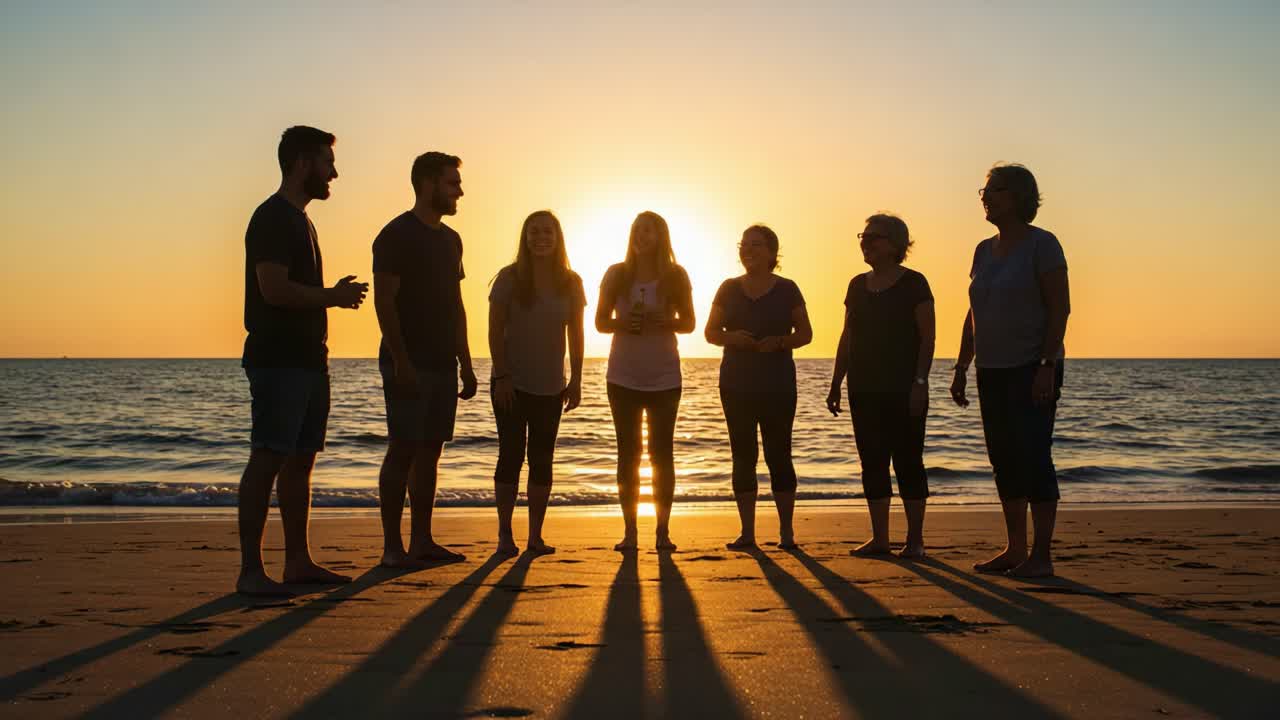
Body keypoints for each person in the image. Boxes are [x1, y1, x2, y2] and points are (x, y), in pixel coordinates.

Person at [237, 126, 368, 596]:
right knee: (268, 456)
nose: (334, 172)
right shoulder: (272, 218)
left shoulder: (301, 220)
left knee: (301, 461)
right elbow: (273, 289)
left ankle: (298, 562)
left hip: (311, 361)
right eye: (326, 162)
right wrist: (331, 297)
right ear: (301, 163)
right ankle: (251, 571)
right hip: (278, 359)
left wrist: (329, 298)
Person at [949, 163, 1070, 578]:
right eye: (982, 190)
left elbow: (1060, 308)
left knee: (1034, 456)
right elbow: (974, 311)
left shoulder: (1043, 245)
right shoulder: (983, 250)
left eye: (993, 190)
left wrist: (1046, 366)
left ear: (1018, 196)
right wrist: (962, 365)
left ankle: (1042, 555)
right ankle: (1015, 549)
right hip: (991, 368)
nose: (984, 197)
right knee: (1002, 459)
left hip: (1032, 366)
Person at [372, 151, 477, 568]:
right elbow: (384, 302)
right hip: (407, 359)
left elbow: (457, 304)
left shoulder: (451, 240)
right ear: (428, 183)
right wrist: (400, 359)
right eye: (453, 183)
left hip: (442, 359)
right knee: (402, 448)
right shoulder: (395, 235)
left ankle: (422, 541)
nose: (459, 191)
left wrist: (466, 362)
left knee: (431, 450)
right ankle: (391, 548)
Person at [826, 214, 935, 559]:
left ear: (895, 244)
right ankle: (880, 538)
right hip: (864, 387)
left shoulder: (914, 283)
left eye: (874, 237)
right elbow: (847, 335)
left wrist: (920, 382)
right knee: (871, 462)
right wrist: (835, 383)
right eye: (864, 236)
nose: (866, 242)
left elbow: (928, 337)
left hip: (903, 387)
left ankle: (915, 540)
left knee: (908, 461)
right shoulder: (857, 285)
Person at [706, 225, 812, 550]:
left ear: (771, 252)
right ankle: (747, 533)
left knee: (779, 454)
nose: (748, 250)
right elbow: (710, 332)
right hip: (736, 383)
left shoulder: (788, 289)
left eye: (756, 244)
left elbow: (806, 334)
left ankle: (786, 533)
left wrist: (779, 342)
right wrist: (731, 337)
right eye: (744, 244)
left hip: (777, 383)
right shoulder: (728, 288)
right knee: (743, 455)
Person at [595, 211, 696, 552]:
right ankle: (630, 532)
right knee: (628, 454)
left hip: (665, 376)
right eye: (637, 230)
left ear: (660, 236)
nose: (642, 235)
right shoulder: (616, 274)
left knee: (661, 454)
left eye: (648, 230)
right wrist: (623, 322)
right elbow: (600, 322)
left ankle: (663, 532)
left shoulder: (676, 275)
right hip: (622, 375)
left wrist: (665, 320)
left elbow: (690, 323)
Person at [487, 210, 586, 556]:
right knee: (510, 455)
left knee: (542, 459)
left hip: (550, 386)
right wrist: (501, 376)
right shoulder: (509, 278)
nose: (540, 238)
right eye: (534, 232)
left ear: (557, 238)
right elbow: (494, 331)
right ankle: (504, 535)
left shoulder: (570, 282)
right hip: (510, 384)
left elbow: (576, 333)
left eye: (547, 232)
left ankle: (535, 537)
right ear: (525, 238)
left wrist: (576, 379)